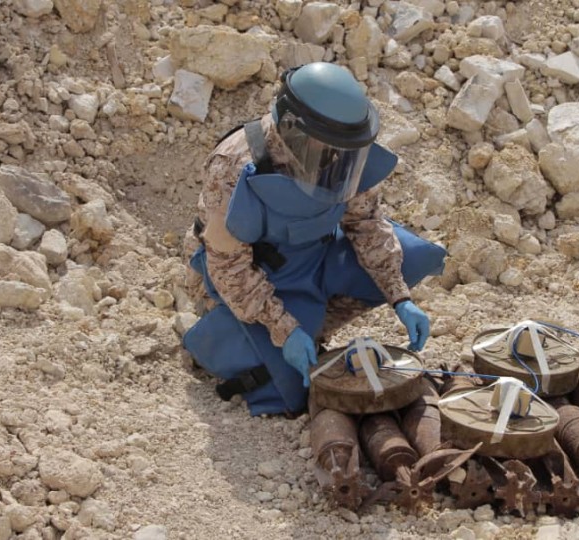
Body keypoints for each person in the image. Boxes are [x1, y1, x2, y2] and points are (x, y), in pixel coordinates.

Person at [181, 62, 447, 417]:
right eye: (328, 148)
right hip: (253, 273)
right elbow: (229, 268)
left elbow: (366, 224)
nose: (336, 159)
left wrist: (400, 297)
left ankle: (314, 322)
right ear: (293, 131)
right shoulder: (232, 166)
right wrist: (284, 329)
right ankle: (235, 329)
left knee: (413, 256)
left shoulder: (344, 146)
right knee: (289, 390)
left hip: (315, 251)